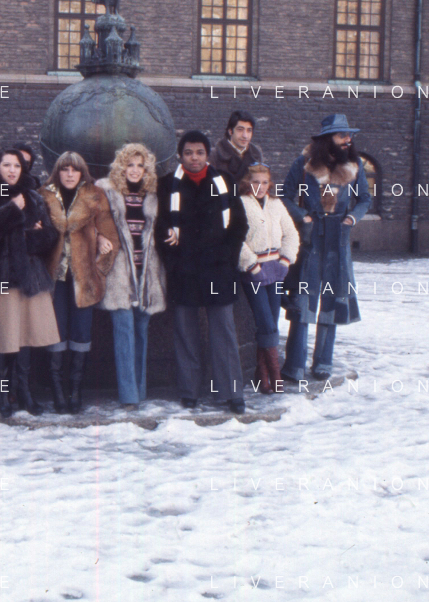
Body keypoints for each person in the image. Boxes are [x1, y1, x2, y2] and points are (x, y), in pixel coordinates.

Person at [155, 130, 249, 413]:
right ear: (180, 156)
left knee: (224, 332)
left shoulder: (224, 181)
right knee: (186, 332)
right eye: (188, 153)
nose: (193, 158)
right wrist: (170, 251)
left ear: (207, 155)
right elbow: (159, 223)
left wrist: (227, 257)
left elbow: (239, 224)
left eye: (199, 153)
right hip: (184, 270)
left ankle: (231, 392)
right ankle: (190, 390)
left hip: (218, 269)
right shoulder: (167, 184)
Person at [0, 147, 61, 417]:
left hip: (30, 275)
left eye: (17, 166)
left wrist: (24, 236)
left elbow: (50, 236)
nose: (12, 170)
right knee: (5, 338)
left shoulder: (33, 195)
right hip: (2, 275)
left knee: (26, 337)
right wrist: (13, 210)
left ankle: (24, 392)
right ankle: (3, 394)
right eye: (7, 165)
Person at [282, 114, 371, 381]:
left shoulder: (354, 165)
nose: (348, 139)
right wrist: (302, 216)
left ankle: (323, 363)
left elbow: (364, 199)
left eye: (349, 135)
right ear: (327, 138)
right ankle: (294, 365)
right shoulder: (303, 163)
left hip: (338, 239)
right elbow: (285, 196)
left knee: (331, 300)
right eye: (342, 135)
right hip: (310, 239)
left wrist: (351, 218)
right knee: (302, 301)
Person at [40, 151, 120, 413]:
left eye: (74, 169)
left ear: (82, 172)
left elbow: (111, 237)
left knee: (82, 334)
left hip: (83, 277)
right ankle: (57, 391)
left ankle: (75, 390)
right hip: (54, 278)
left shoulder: (95, 196)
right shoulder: (44, 196)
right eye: (64, 169)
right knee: (56, 332)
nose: (69, 174)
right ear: (57, 172)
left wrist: (99, 266)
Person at [96, 143, 167, 410]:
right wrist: (99, 237)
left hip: (146, 271)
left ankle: (139, 389)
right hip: (119, 272)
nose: (135, 170)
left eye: (140, 166)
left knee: (141, 331)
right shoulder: (106, 190)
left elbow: (164, 225)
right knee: (123, 330)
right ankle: (128, 395)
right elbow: (91, 222)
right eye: (130, 165)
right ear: (121, 167)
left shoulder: (154, 194)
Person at [236, 162, 299, 393]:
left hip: (276, 271)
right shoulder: (241, 203)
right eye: (255, 182)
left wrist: (285, 261)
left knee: (271, 322)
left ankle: (261, 374)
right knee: (265, 322)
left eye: (264, 182)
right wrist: (252, 265)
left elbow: (291, 234)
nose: (260, 187)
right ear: (247, 182)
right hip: (253, 271)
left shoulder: (276, 204)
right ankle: (274, 374)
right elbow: (236, 238)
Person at [210, 110, 263, 181]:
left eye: (249, 130)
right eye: (240, 130)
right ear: (230, 131)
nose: (245, 135)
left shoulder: (256, 155)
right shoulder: (214, 155)